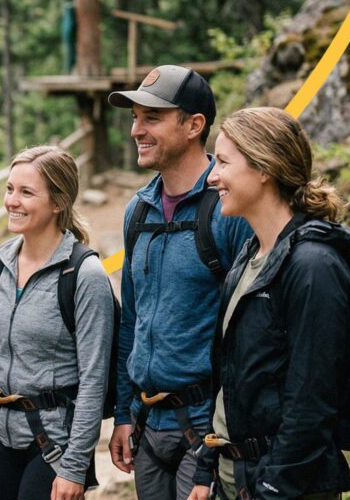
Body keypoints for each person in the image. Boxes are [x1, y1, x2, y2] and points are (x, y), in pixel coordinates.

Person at [188, 107, 350, 500]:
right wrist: (206, 467)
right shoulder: (249, 255)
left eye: (223, 162)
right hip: (233, 478)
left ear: (264, 168)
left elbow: (312, 402)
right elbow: (231, 378)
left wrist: (271, 488)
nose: (211, 176)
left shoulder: (314, 266)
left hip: (284, 488)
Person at [106, 65, 253, 500]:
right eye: (135, 118)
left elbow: (247, 334)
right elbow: (131, 319)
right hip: (147, 426)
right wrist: (123, 414)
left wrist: (221, 432)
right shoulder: (138, 211)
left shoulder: (228, 209)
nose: (136, 130)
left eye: (152, 118)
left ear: (194, 125)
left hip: (205, 426)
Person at [0, 145, 116, 500]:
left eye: (26, 192)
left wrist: (75, 466)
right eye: (10, 189)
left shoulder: (84, 275)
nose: (12, 201)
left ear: (57, 203)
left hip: (54, 443)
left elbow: (94, 378)